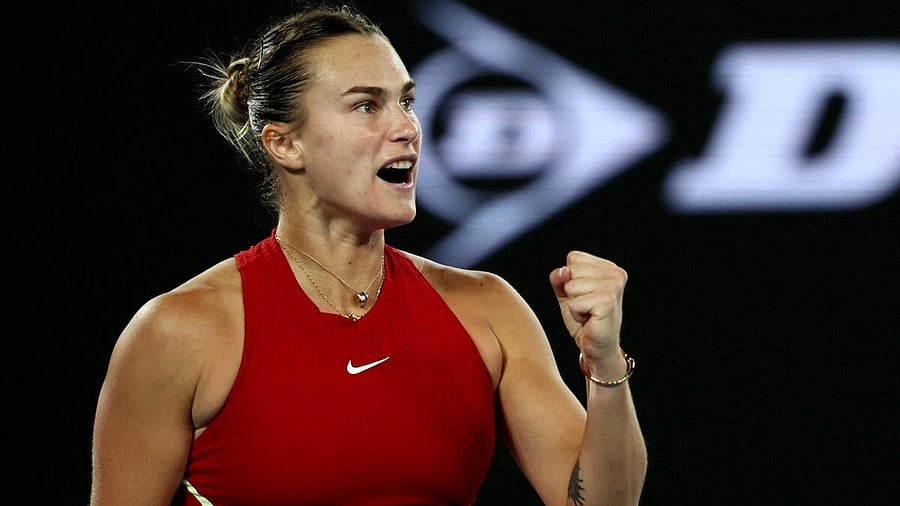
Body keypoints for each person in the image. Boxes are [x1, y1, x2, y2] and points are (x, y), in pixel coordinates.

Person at [90, 2, 646, 505]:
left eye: (406, 101)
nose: (406, 127)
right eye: (365, 106)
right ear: (285, 143)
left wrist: (604, 364)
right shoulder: (179, 330)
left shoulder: (487, 308)